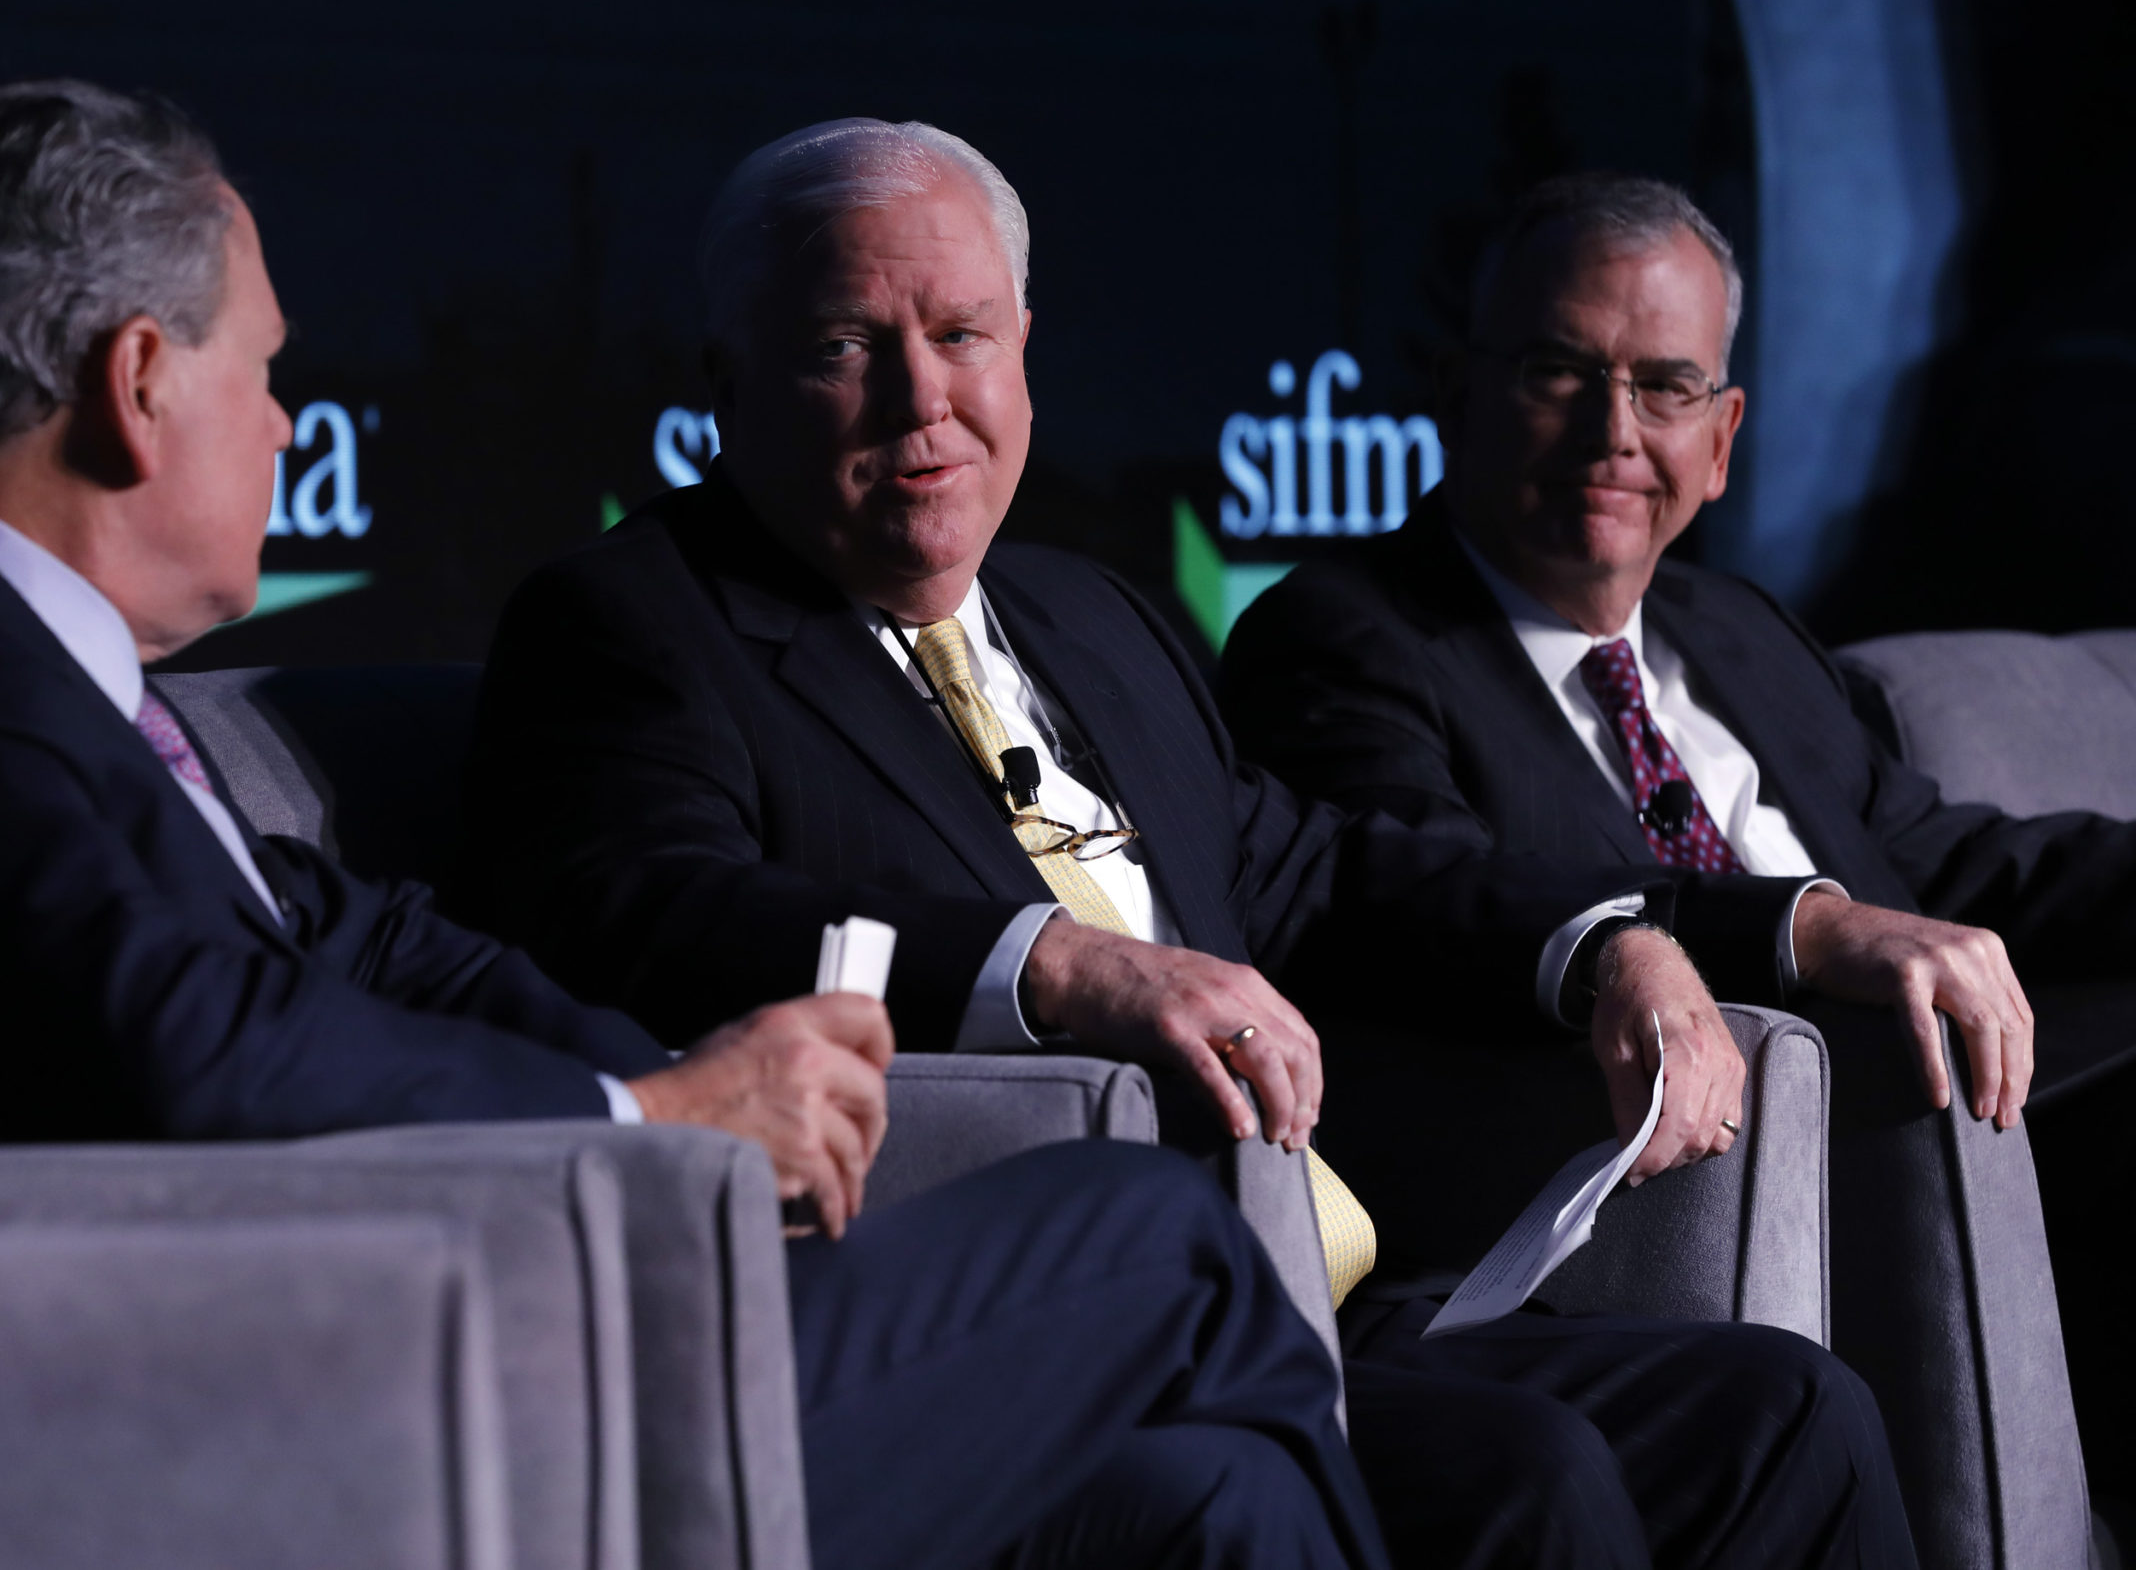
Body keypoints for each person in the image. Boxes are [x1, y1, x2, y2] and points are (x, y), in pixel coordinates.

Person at [0, 80, 1390, 1570]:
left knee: (1214, 1495)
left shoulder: (6, 673)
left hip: (430, 1325)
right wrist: (642, 1112)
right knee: (1154, 1230)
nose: (282, 424)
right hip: (324, 1420)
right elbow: (185, 1041)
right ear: (134, 384)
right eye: (266, 371)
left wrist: (708, 1121)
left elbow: (354, 934)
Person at [454, 118, 1917, 1570]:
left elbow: (1328, 864)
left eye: (962, 335)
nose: (922, 401)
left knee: (1790, 1411)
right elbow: (650, 911)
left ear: (1023, 349)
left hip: (1340, 1289)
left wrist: (1609, 946)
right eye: (845, 346)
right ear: (727, 381)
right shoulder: (632, 624)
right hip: (1106, 1344)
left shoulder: (1096, 618)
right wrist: (1057, 967)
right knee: (1526, 1476)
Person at [1217, 170, 2136, 1527]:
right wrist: (1802, 922)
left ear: (1723, 436)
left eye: (1666, 387)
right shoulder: (1342, 637)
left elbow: (1936, 861)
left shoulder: (1747, 633)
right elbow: (1431, 886)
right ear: (1456, 389)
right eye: (1558, 372)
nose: (1613, 432)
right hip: (1711, 1176)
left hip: (1970, 1131)